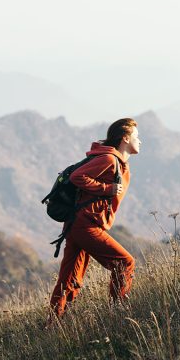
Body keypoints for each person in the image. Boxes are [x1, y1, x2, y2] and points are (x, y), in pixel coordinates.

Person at [49, 118, 141, 321]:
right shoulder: (109, 159)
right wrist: (107, 189)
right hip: (84, 225)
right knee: (125, 263)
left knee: (69, 278)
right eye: (136, 136)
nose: (140, 141)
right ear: (125, 138)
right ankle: (119, 314)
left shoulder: (117, 162)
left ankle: (53, 324)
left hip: (78, 224)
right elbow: (77, 177)